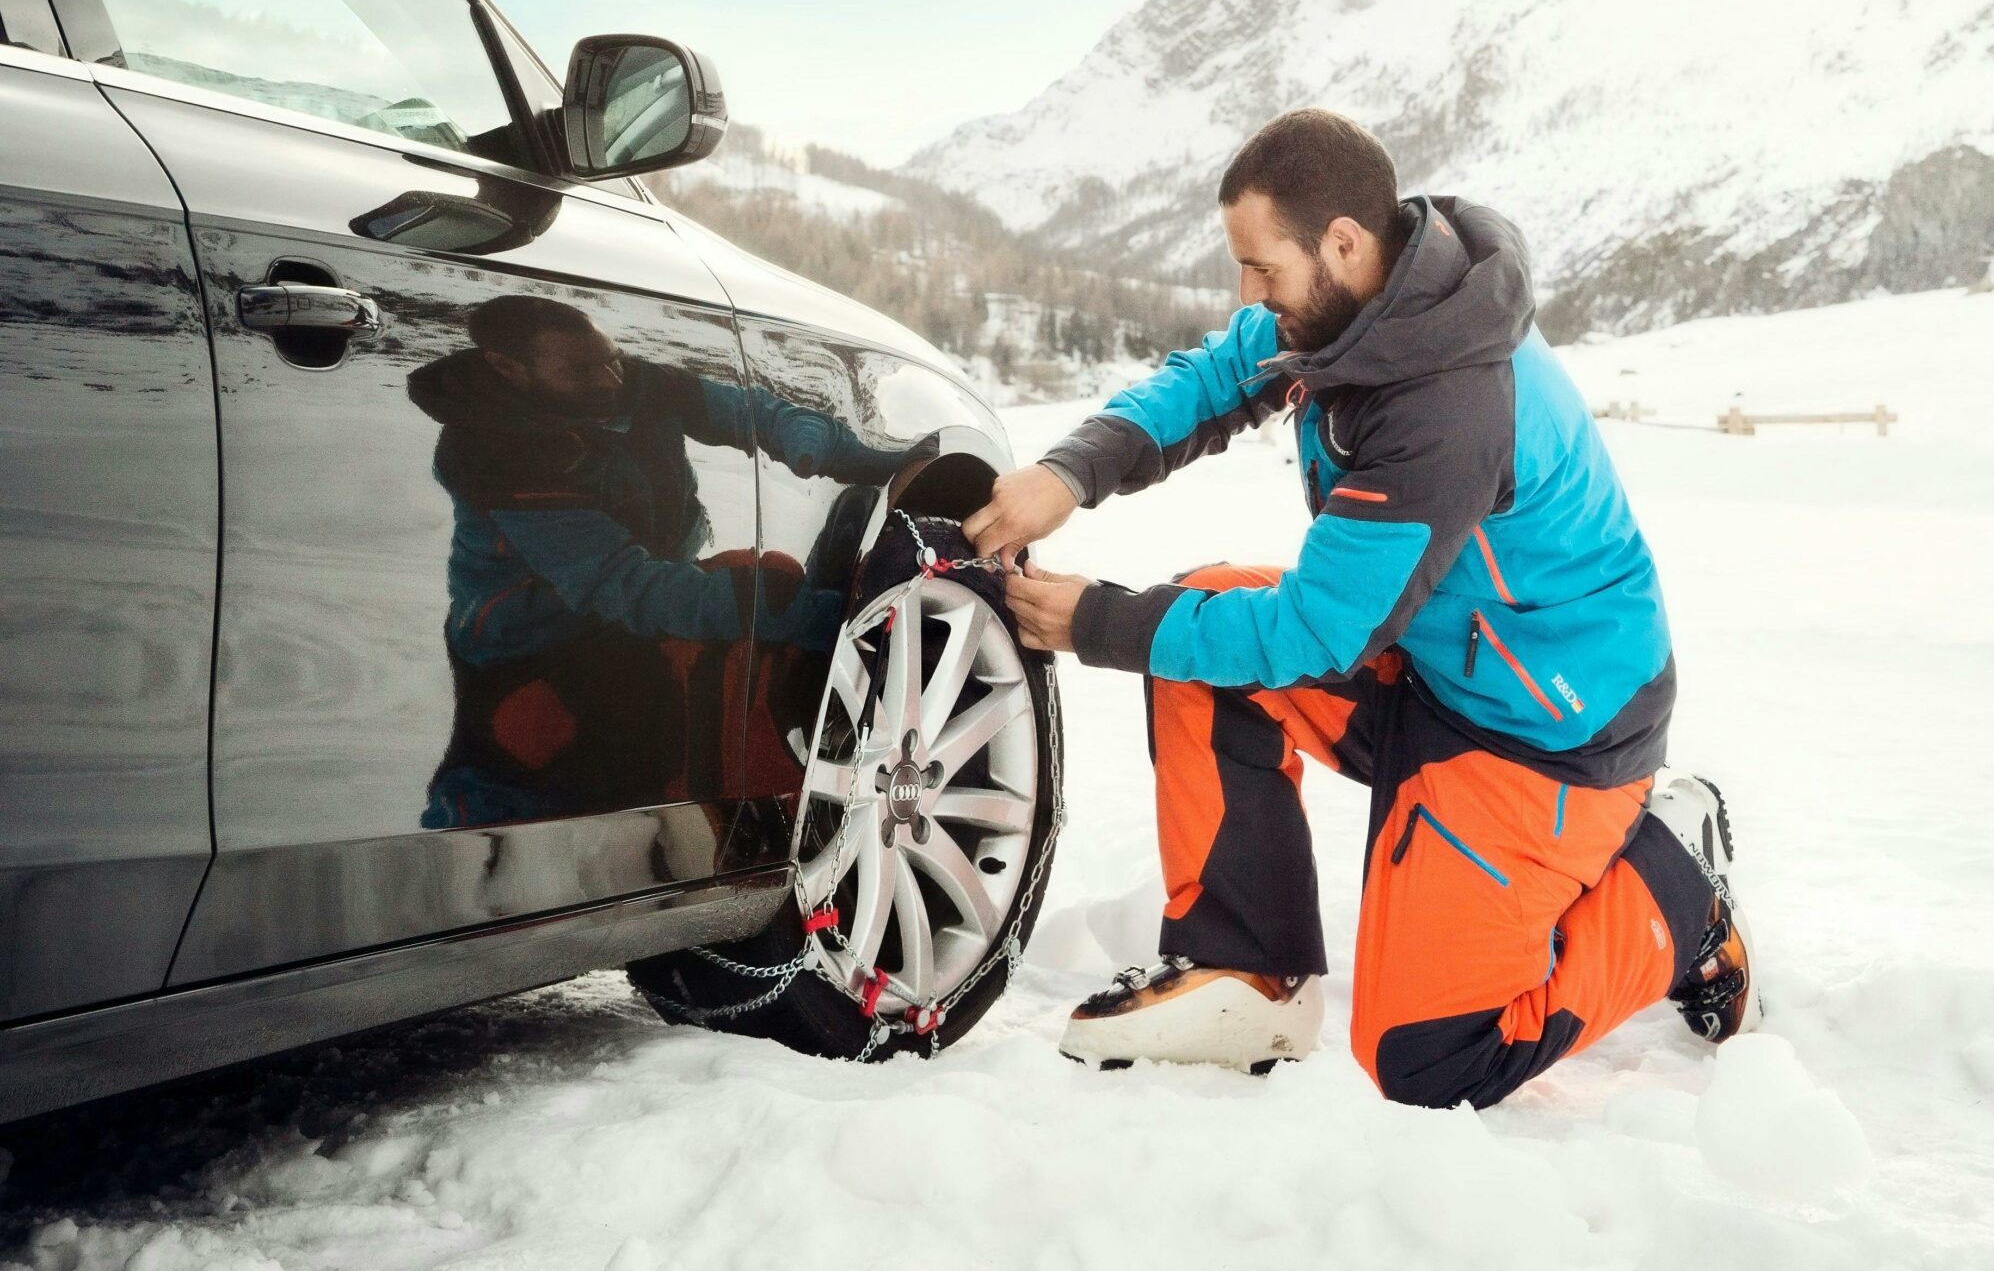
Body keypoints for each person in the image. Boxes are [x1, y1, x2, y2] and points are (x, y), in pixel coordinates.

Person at [965, 109, 1756, 1106]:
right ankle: (1247, 974)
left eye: (1262, 270)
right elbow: (1215, 375)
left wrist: (1094, 622)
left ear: (1341, 242)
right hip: (1437, 667)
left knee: (1425, 1057)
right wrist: (1069, 472)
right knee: (1201, 620)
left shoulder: (1447, 406)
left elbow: (1316, 632)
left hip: (1546, 730)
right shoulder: (1360, 307)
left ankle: (1675, 884)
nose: (1249, 296)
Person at [409, 295, 894, 827]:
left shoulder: (635, 385)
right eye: (580, 371)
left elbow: (748, 412)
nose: (610, 380)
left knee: (761, 598)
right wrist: (807, 617)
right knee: (544, 777)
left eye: (611, 359)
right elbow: (623, 584)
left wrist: (822, 443)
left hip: (639, 612)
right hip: (531, 647)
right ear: (508, 368)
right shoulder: (491, 451)